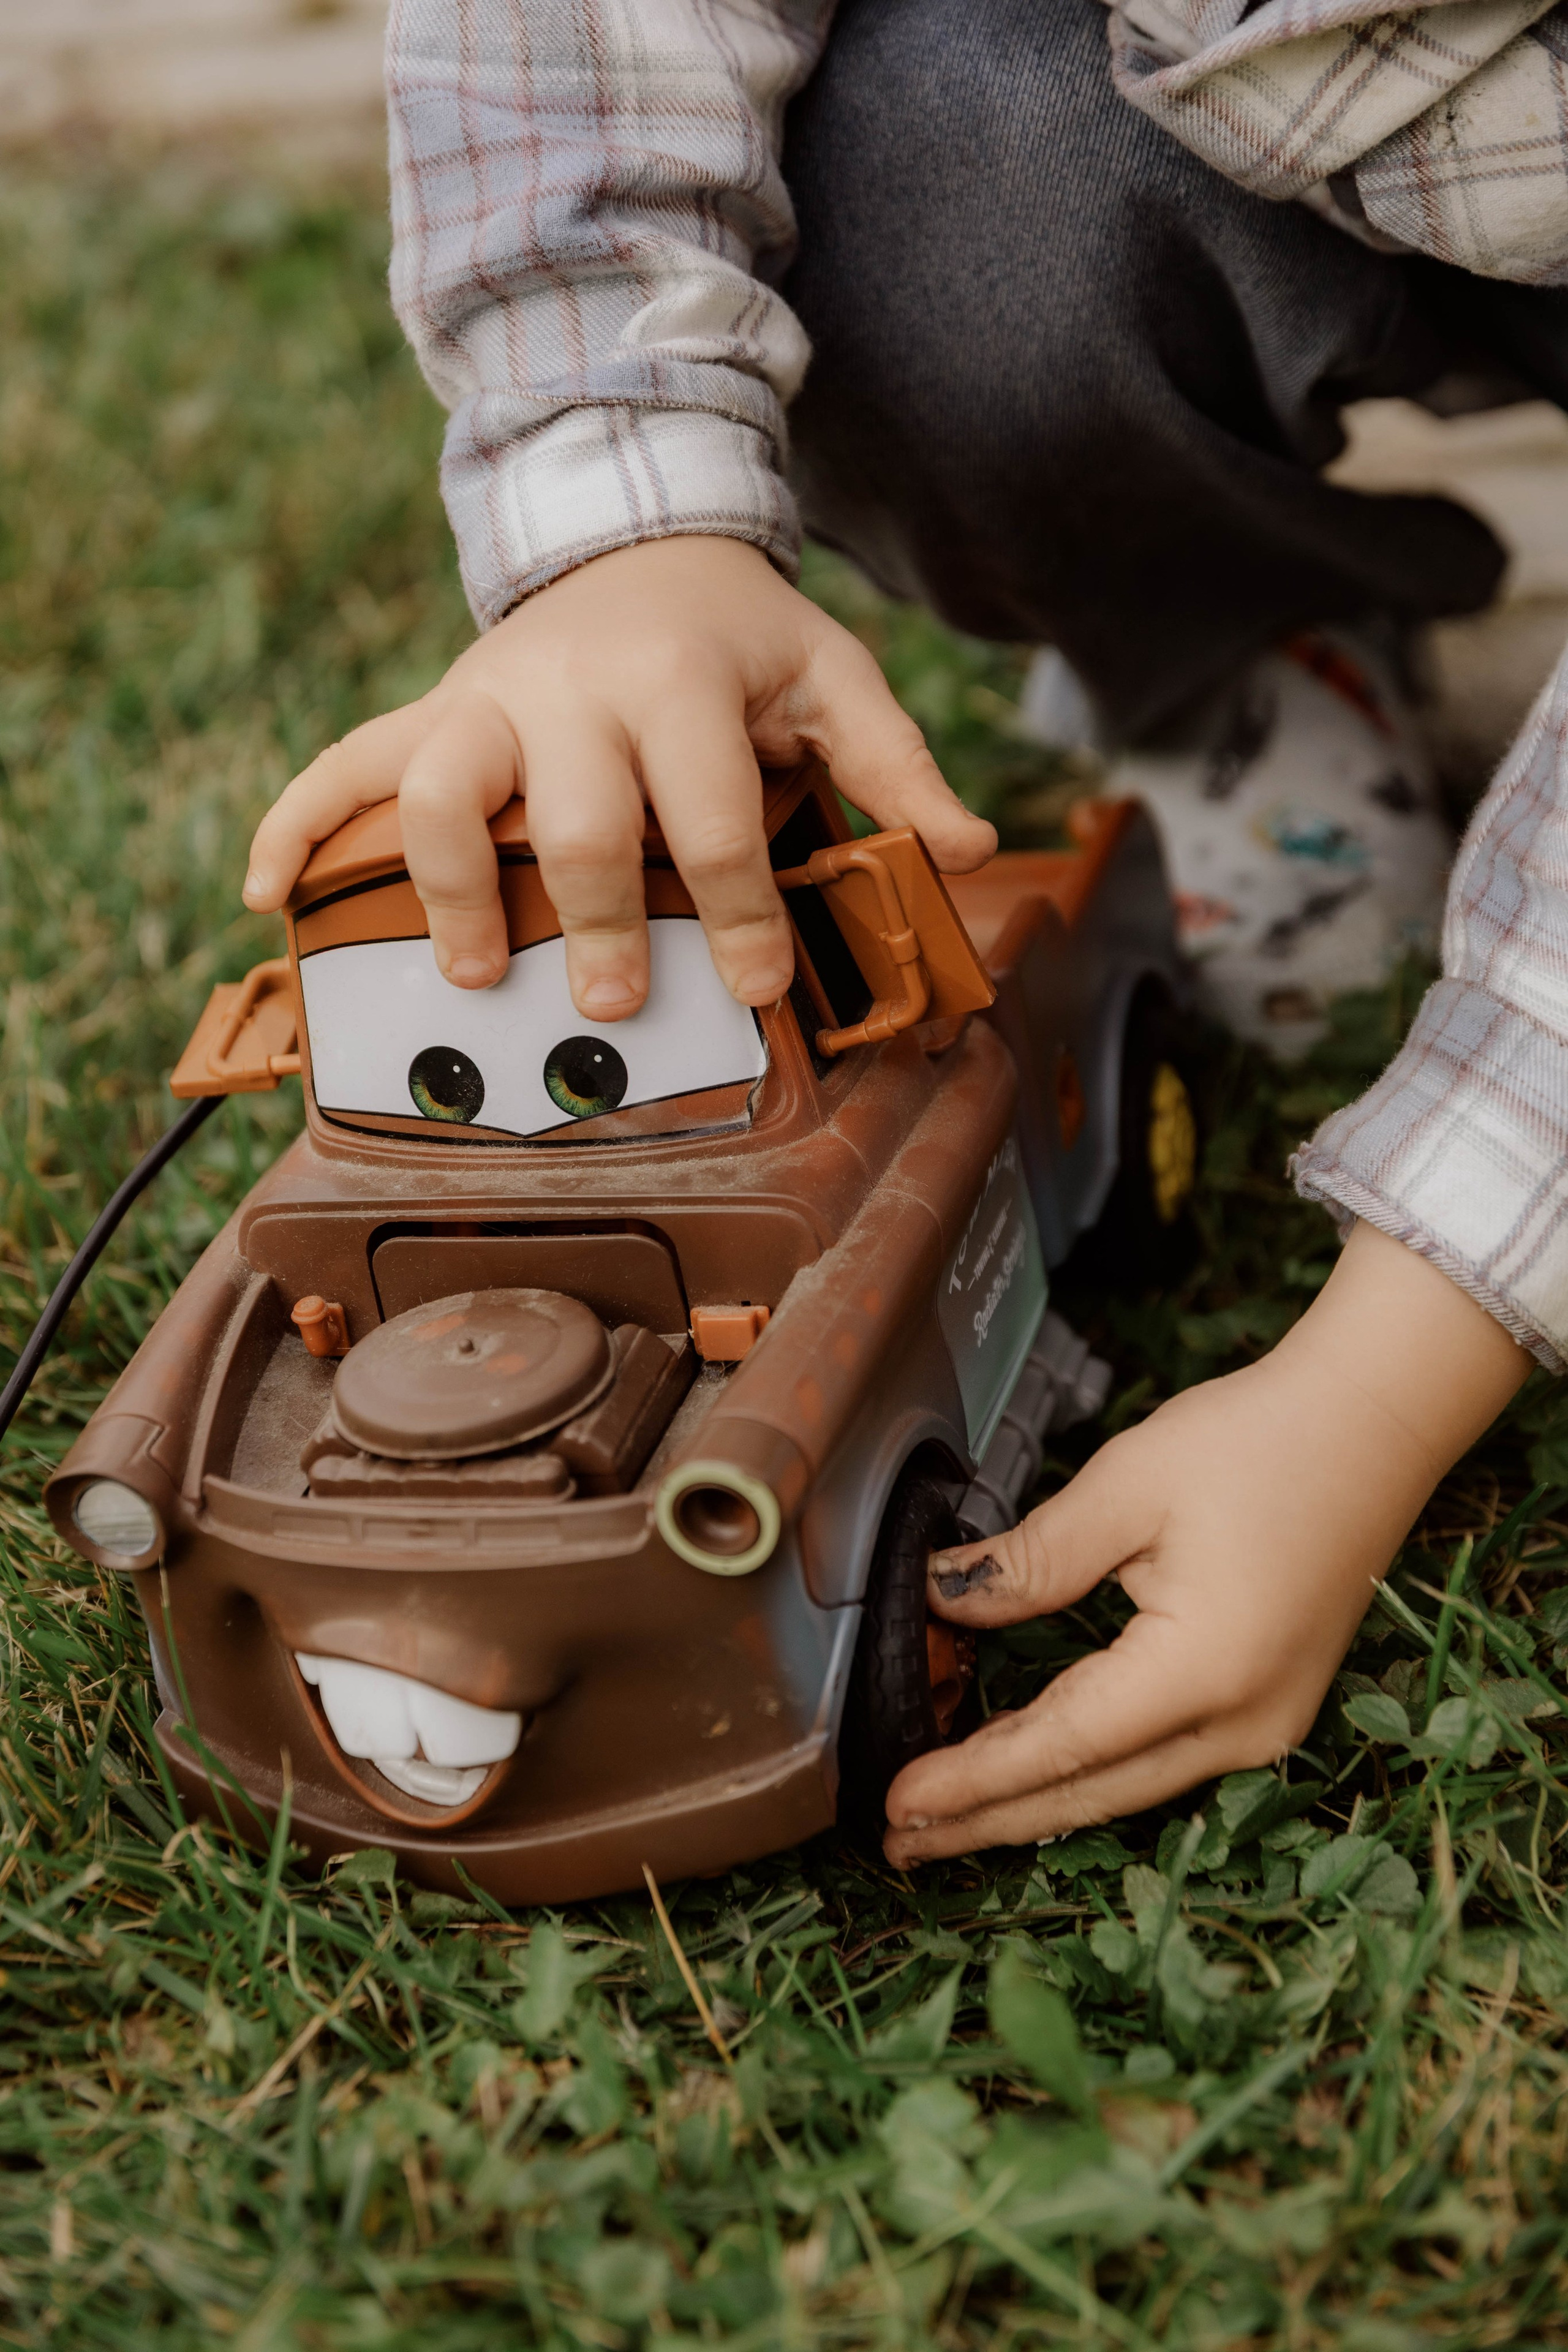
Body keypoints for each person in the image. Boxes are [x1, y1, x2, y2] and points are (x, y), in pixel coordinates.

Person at [242, 0, 1568, 1861]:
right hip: (1230, 108)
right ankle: (1233, 650)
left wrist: (1376, 1382)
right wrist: (620, 510)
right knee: (919, 170)